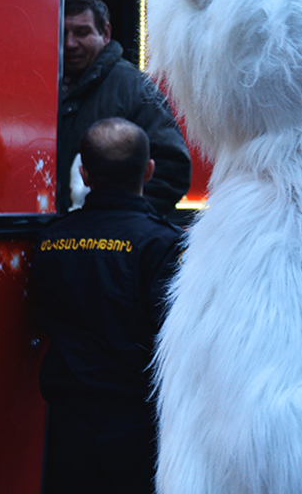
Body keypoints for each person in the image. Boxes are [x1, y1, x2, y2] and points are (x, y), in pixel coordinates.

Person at [32, 118, 185, 494]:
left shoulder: (50, 239)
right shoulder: (161, 244)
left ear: (83, 174)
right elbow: (174, 339)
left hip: (65, 424)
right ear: (149, 170)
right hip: (136, 424)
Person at [60, 0, 191, 215]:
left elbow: (173, 169)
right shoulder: (40, 82)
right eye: (63, 33)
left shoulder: (135, 89)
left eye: (82, 32)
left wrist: (120, 221)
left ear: (106, 34)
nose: (70, 43)